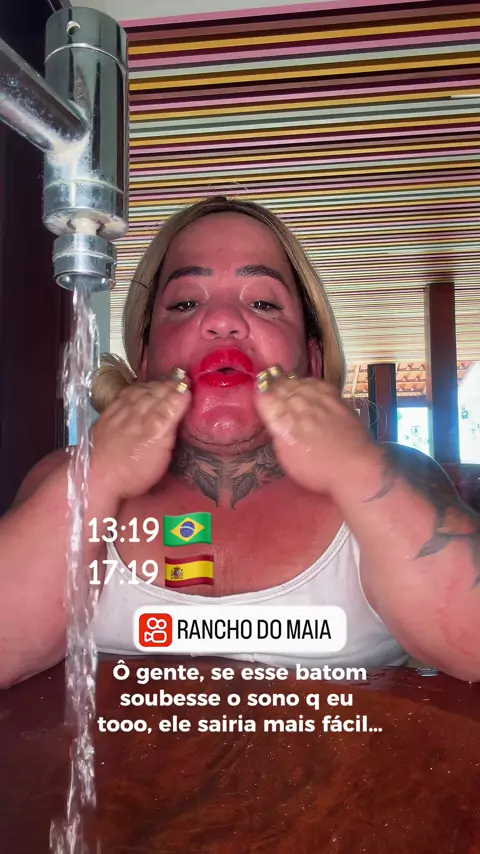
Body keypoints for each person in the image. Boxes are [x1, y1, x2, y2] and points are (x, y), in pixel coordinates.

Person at [1, 196, 479, 688]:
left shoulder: (399, 474)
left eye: (264, 303)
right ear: (145, 359)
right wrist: (98, 474)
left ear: (312, 359)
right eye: (186, 303)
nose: (223, 320)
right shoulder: (69, 477)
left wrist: (356, 466)